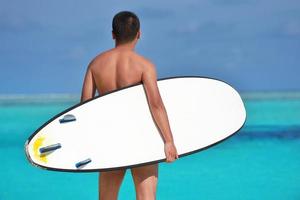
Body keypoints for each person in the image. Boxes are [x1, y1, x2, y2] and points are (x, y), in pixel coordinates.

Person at [80, 11, 178, 200]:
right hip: (142, 137)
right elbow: (156, 104)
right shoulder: (144, 66)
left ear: (113, 34)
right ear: (139, 34)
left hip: (111, 140)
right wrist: (168, 141)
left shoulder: (95, 65)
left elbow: (85, 108)